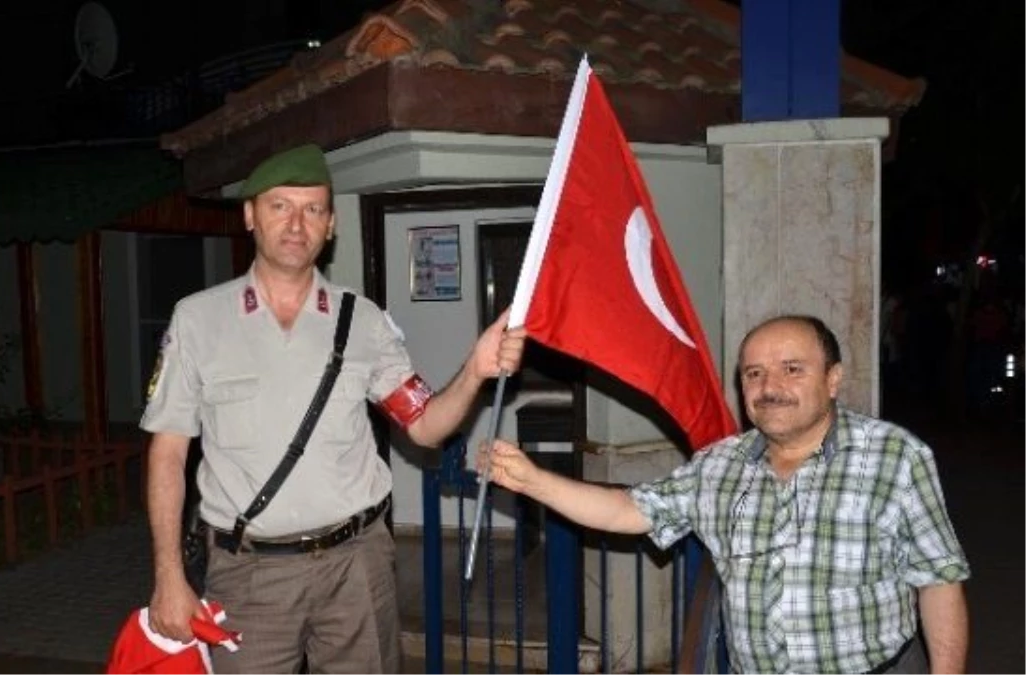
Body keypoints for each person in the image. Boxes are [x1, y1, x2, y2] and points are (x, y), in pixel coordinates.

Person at [140, 143, 526, 674]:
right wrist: (168, 577)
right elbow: (167, 455)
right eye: (280, 206)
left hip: (356, 567)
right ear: (250, 215)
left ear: (331, 225)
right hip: (250, 574)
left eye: (313, 209)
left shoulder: (363, 321)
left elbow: (425, 425)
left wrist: (474, 372)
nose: (297, 223)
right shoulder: (198, 321)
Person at [482, 315, 969, 674]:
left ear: (833, 378)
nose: (769, 387)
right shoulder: (719, 465)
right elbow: (628, 510)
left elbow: (939, 579)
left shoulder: (896, 456)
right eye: (753, 373)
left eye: (792, 369)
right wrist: (533, 481)